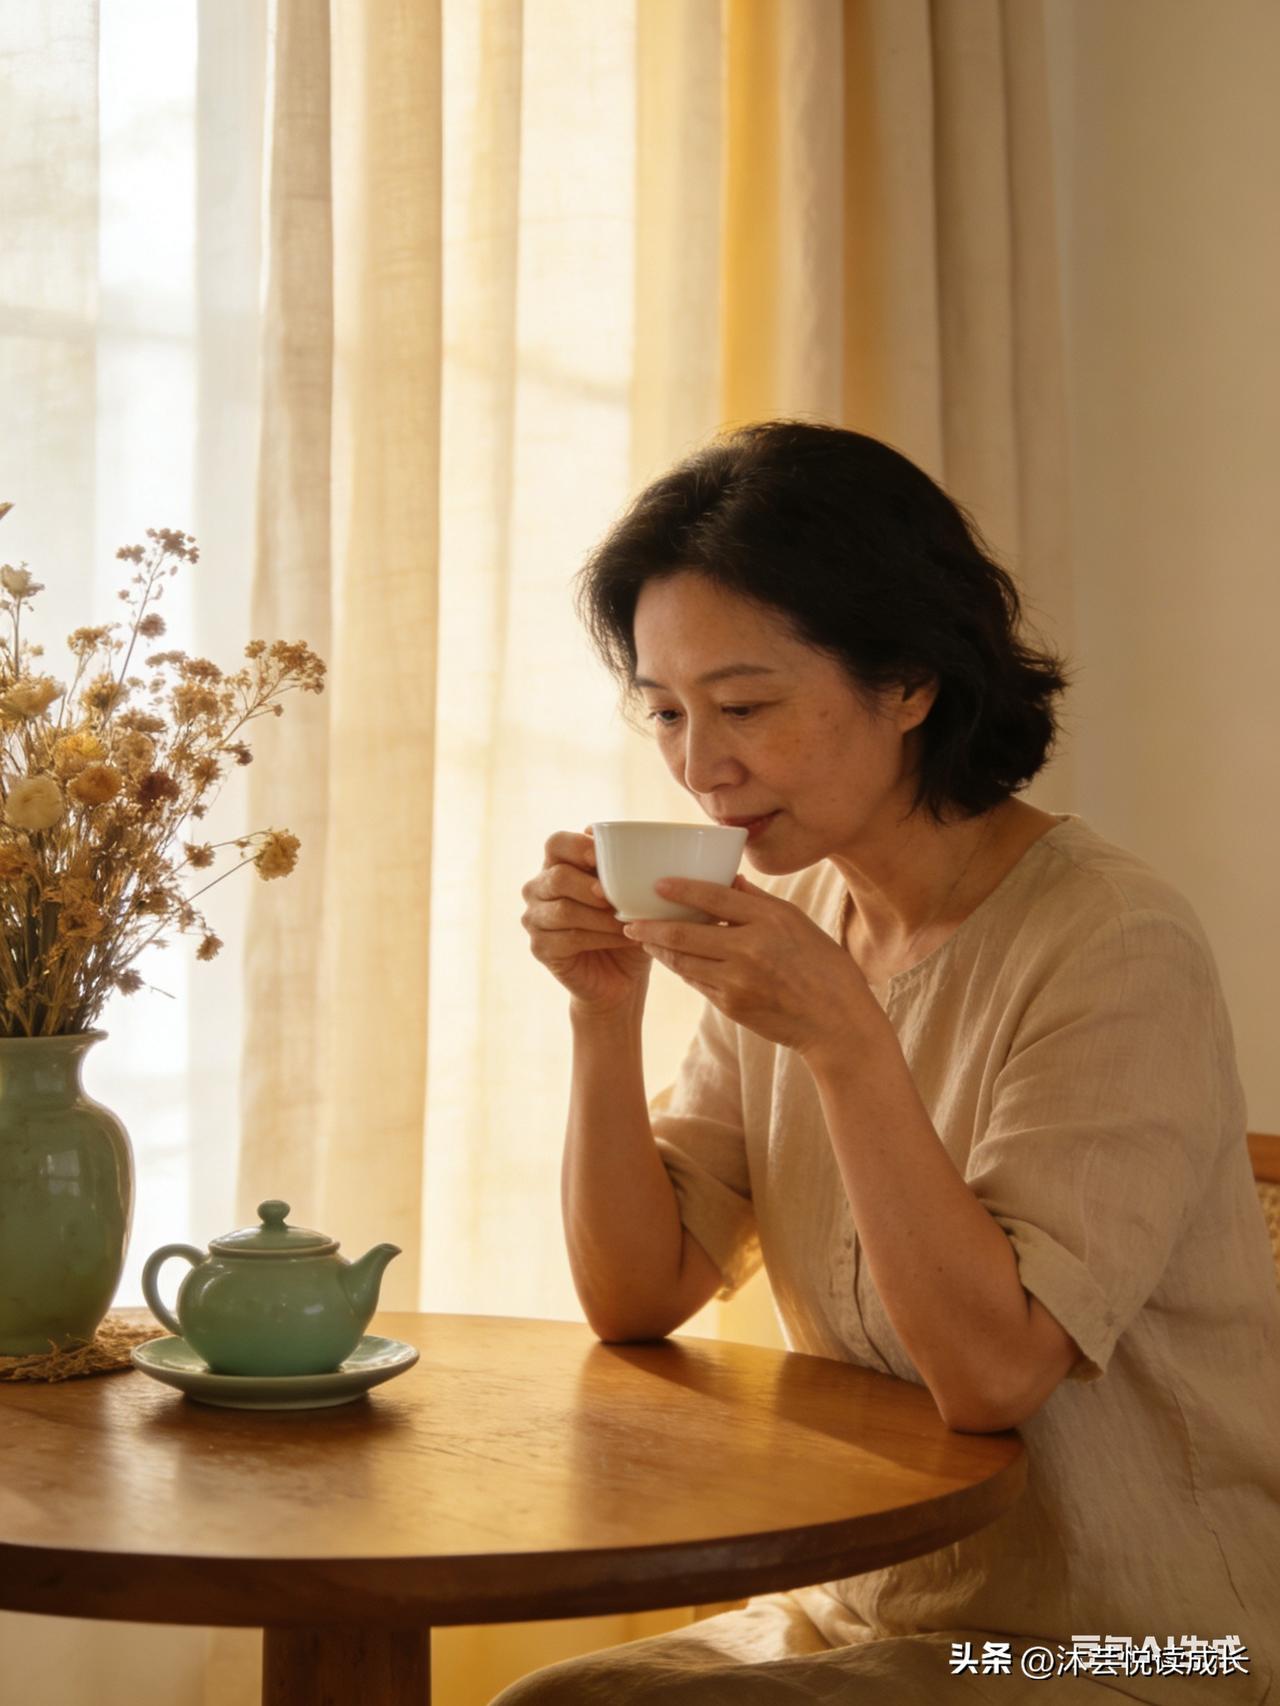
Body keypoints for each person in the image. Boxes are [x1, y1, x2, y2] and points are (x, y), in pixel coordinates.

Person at [509, 422, 1280, 1704]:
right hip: (857, 1609)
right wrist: (603, 1014)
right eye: (665, 713)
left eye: (744, 705)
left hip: (1133, 1636)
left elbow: (990, 1376)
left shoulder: (1110, 941)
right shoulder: (801, 932)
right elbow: (638, 1293)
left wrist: (845, 1040)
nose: (700, 767)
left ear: (909, 680)